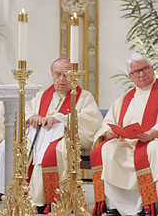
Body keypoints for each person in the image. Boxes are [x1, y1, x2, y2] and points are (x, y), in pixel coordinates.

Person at [90, 53, 158, 216]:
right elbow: (108, 121)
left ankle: (148, 204)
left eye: (145, 69)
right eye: (137, 72)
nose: (142, 74)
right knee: (106, 150)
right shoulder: (126, 98)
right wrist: (109, 132)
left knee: (153, 149)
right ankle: (115, 204)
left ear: (152, 69)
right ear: (131, 76)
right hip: (128, 141)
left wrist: (153, 133)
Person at [24, 56, 103, 213]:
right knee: (21, 148)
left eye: (66, 74)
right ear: (52, 74)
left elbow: (91, 121)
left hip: (65, 139)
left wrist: (60, 118)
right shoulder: (41, 96)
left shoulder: (84, 97)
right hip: (38, 137)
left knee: (57, 150)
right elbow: (26, 111)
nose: (62, 79)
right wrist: (31, 117)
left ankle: (53, 200)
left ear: (74, 75)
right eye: (57, 74)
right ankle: (27, 197)